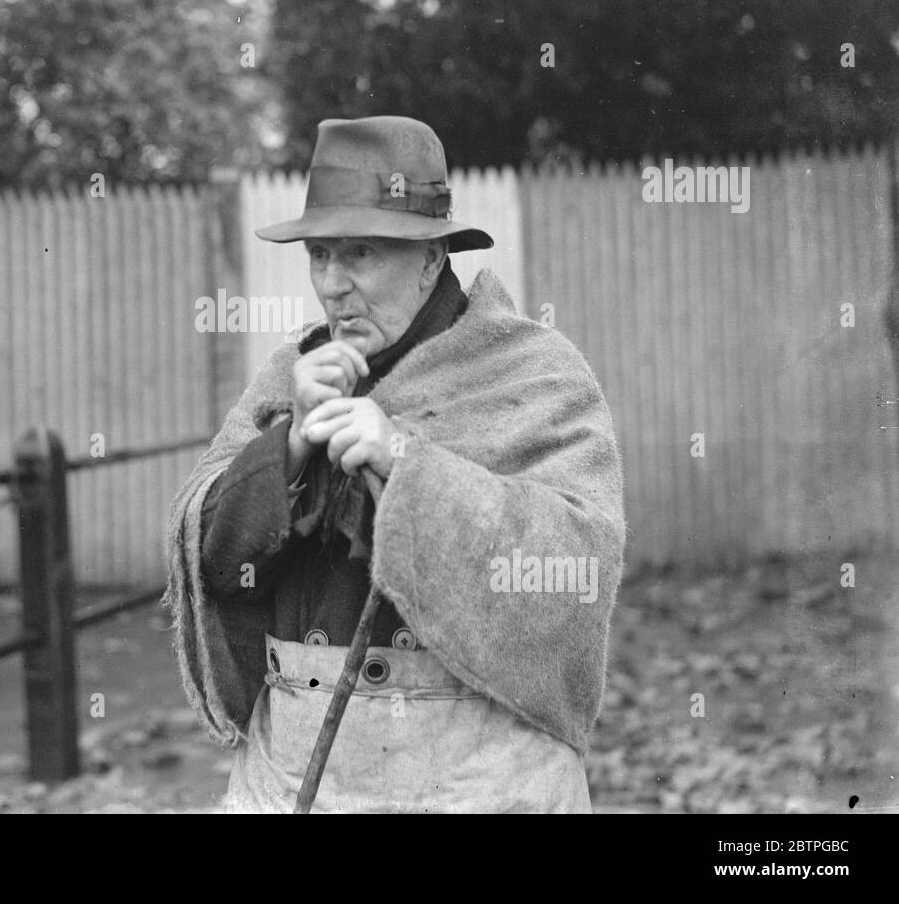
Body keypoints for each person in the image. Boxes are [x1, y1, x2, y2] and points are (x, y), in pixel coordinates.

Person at [165, 116, 626, 812]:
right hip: (291, 783)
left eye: (361, 253)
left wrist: (405, 461)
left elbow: (575, 571)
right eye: (320, 253)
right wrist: (288, 447)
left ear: (432, 258)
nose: (333, 283)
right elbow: (211, 555)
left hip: (480, 781)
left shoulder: (533, 374)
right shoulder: (290, 374)